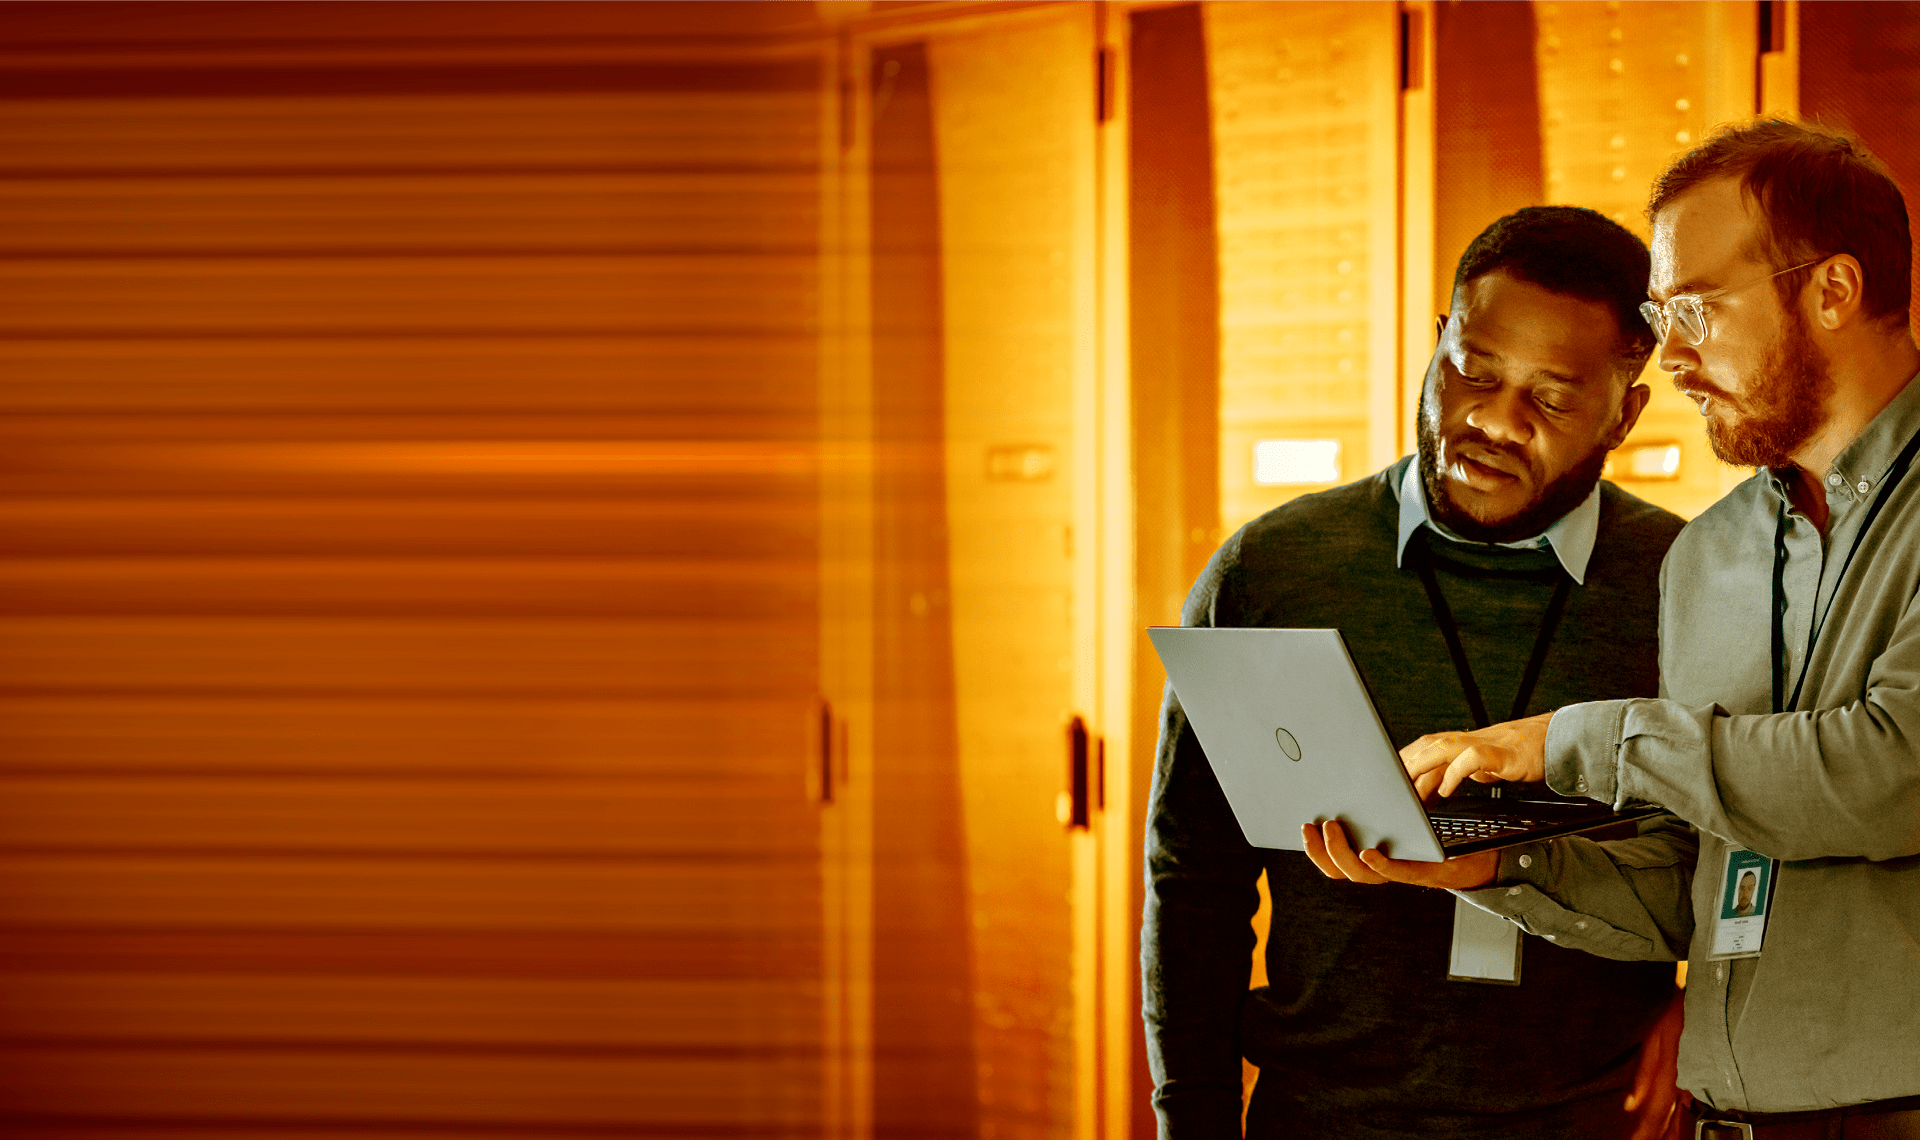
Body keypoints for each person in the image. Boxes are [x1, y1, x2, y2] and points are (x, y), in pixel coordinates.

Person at [1308, 122, 1920, 1135]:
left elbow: (1891, 780)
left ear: (1833, 291)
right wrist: (1497, 866)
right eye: (1658, 315)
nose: (1669, 357)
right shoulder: (1709, 558)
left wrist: (1566, 741)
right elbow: (1704, 883)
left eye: (1694, 309)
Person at [1142, 206, 1689, 1140]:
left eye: (1552, 399)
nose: (1491, 421)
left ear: (1625, 411)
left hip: (1593, 1118)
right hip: (1323, 1117)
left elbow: (1736, 856)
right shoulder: (1276, 571)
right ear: (1438, 342)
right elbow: (1196, 881)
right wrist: (1189, 1119)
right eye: (1472, 370)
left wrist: (1703, 1015)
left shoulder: (1688, 584)